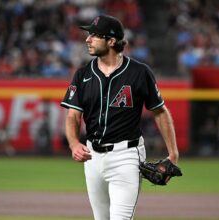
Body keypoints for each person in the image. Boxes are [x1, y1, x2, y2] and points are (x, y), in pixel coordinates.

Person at [61, 15, 180, 220]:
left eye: (94, 35)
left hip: (126, 156)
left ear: (111, 41)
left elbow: (160, 112)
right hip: (92, 157)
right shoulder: (82, 74)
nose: (87, 39)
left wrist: (173, 154)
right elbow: (73, 115)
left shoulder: (139, 72)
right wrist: (73, 143)